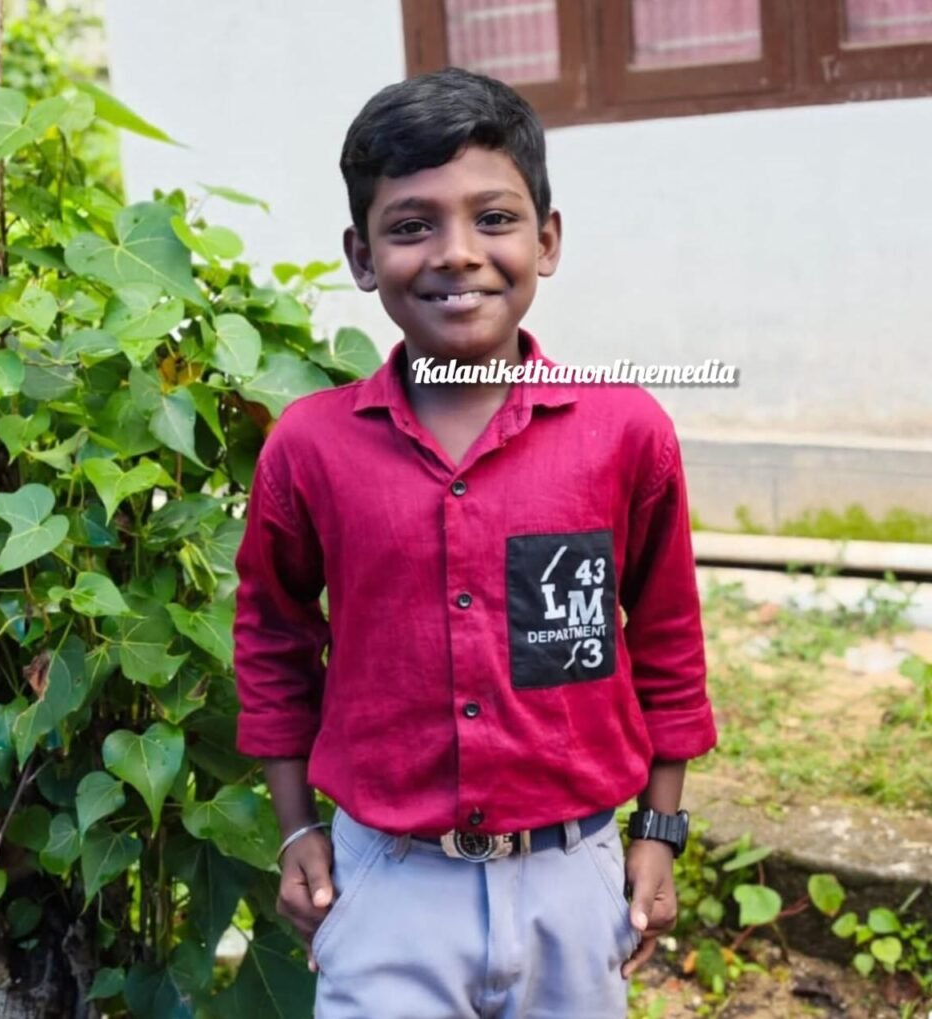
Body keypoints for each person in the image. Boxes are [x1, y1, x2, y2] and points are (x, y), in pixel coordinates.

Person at [233, 66, 717, 1019]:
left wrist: (658, 828)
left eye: (494, 218)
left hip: (575, 878)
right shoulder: (310, 446)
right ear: (361, 255)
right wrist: (295, 831)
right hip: (384, 884)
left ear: (547, 239)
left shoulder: (624, 433)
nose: (457, 254)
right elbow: (275, 642)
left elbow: (668, 643)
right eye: (412, 225)